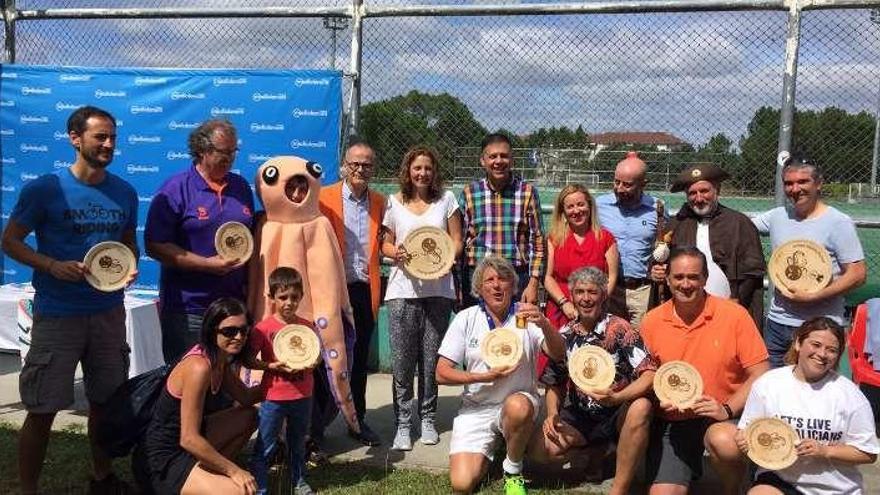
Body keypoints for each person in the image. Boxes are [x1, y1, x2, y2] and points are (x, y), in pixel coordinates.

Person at [2, 106, 139, 494]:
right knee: (43, 409)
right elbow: (9, 241)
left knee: (105, 403)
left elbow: (129, 244)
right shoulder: (45, 189)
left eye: (113, 136)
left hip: (108, 314)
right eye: (100, 136)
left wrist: (130, 268)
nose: (109, 144)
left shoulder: (125, 191)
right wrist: (50, 265)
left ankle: (102, 477)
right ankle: (28, 488)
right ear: (75, 139)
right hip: (59, 315)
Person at [641, 247, 769, 495]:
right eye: (678, 277)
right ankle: (686, 468)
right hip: (674, 422)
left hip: (724, 418)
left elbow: (761, 372)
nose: (686, 284)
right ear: (667, 279)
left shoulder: (735, 316)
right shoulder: (652, 321)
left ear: (705, 279)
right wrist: (659, 399)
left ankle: (733, 488)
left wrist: (727, 409)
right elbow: (645, 377)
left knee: (724, 442)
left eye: (693, 277)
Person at [436, 255, 565, 495]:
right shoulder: (466, 318)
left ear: (512, 285)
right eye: (489, 280)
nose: (497, 285)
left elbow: (558, 354)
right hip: (477, 408)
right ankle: (496, 447)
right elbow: (442, 373)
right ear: (479, 288)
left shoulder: (525, 316)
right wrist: (481, 377)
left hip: (519, 403)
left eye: (503, 279)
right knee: (462, 484)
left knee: (518, 407)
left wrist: (545, 324)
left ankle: (513, 470)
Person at [531, 267, 656, 495]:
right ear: (571, 296)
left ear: (603, 296)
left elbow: (649, 374)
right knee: (542, 450)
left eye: (592, 292)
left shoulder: (620, 328)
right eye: (580, 292)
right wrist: (552, 413)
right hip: (583, 414)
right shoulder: (566, 334)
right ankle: (595, 450)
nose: (586, 298)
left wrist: (617, 397)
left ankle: (619, 487)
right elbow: (554, 381)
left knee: (642, 407)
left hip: (619, 412)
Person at [145, 118, 254, 363]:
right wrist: (205, 265)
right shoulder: (175, 189)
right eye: (222, 152)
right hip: (189, 310)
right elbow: (154, 245)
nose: (229, 158)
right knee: (187, 386)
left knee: (227, 389)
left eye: (233, 152)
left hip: (232, 309)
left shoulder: (241, 187)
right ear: (202, 150)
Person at [735, 317, 879, 495]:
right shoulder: (768, 384)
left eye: (831, 350)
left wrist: (825, 451)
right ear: (798, 343)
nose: (822, 354)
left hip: (836, 489)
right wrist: (744, 440)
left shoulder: (851, 395)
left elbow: (868, 453)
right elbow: (747, 430)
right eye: (816, 344)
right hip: (782, 480)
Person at [381, 146, 463, 450]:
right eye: (417, 168)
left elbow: (456, 240)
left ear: (434, 171)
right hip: (402, 292)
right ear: (408, 170)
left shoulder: (447, 200)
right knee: (402, 362)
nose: (423, 173)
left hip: (439, 292)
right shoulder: (393, 202)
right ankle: (403, 424)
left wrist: (445, 260)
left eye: (428, 168)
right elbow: (385, 245)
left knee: (431, 362)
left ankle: (427, 418)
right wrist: (396, 253)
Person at [136, 297, 260, 494]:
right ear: (212, 331)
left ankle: (210, 476)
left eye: (244, 330)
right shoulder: (199, 367)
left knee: (249, 416)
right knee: (239, 492)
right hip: (163, 458)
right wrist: (234, 471)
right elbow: (188, 439)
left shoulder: (220, 359)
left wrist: (281, 372)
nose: (239, 337)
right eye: (229, 331)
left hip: (189, 443)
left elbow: (246, 397)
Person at [753, 153, 866, 367]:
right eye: (789, 183)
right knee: (775, 390)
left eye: (803, 182)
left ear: (819, 184)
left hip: (820, 327)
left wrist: (816, 295)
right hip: (777, 324)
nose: (795, 189)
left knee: (815, 395)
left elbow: (857, 274)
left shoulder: (838, 222)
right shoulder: (778, 216)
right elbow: (740, 224)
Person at [318, 141, 386, 447]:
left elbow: (387, 241)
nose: (360, 169)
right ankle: (313, 429)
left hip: (362, 290)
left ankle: (357, 421)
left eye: (367, 165)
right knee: (323, 360)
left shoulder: (381, 203)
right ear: (344, 165)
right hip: (329, 291)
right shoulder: (323, 198)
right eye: (354, 164)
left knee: (358, 361)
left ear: (374, 168)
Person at [664, 162, 766, 328]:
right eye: (692, 193)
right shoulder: (677, 224)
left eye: (704, 191)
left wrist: (737, 299)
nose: (698, 198)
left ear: (717, 190)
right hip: (685, 309)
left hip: (729, 308)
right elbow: (663, 262)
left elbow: (752, 270)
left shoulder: (739, 223)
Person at [243, 267, 317, 495]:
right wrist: (269, 366)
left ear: (301, 297)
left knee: (297, 442)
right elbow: (247, 359)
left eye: (294, 297)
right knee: (266, 443)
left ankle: (299, 481)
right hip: (273, 396)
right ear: (272, 297)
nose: (289, 303)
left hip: (302, 395)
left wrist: (315, 362)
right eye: (283, 297)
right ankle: (260, 486)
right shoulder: (262, 328)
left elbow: (317, 354)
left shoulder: (307, 326)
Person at [459, 133, 545, 307]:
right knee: (478, 332)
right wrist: (458, 284)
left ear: (512, 160)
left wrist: (534, 283)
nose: (498, 161)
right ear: (483, 161)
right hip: (477, 275)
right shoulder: (469, 193)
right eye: (492, 156)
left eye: (504, 156)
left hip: (516, 276)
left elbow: (538, 239)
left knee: (516, 332)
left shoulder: (527, 192)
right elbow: (459, 241)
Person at [596, 151, 664, 327]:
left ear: (643, 184)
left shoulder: (657, 209)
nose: (619, 188)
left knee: (639, 343)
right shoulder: (599, 205)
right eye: (616, 182)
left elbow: (664, 246)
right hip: (609, 288)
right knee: (608, 340)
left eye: (627, 185)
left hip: (641, 290)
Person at [543, 184, 619, 330]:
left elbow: (612, 277)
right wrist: (564, 303)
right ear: (563, 211)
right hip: (562, 308)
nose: (576, 211)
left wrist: (595, 305)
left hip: (595, 310)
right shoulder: (554, 239)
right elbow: (548, 277)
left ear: (589, 206)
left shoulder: (606, 238)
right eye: (570, 207)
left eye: (580, 204)